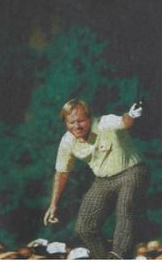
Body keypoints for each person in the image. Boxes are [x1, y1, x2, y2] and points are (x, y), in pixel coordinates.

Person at [44, 98, 148, 258]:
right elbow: (62, 173)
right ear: (65, 123)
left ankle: (119, 254)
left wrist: (132, 115)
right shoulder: (67, 141)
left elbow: (125, 122)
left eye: (81, 121)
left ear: (90, 118)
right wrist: (53, 204)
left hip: (131, 171)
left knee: (125, 207)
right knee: (84, 227)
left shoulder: (104, 123)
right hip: (103, 180)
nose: (77, 126)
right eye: (71, 122)